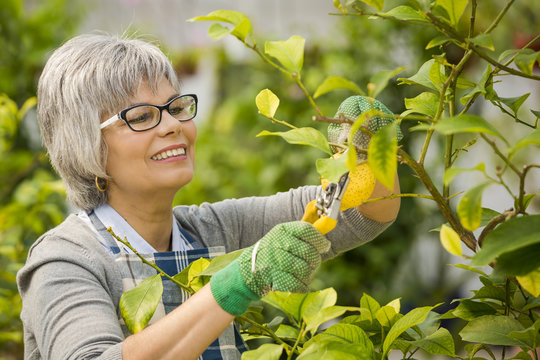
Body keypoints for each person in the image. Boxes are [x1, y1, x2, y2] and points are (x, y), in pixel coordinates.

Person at [16, 33, 401, 360]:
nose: (173, 126)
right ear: (84, 142)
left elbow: (364, 212)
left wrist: (369, 152)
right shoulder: (65, 260)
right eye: (142, 116)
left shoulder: (215, 230)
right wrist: (236, 283)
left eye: (176, 107)